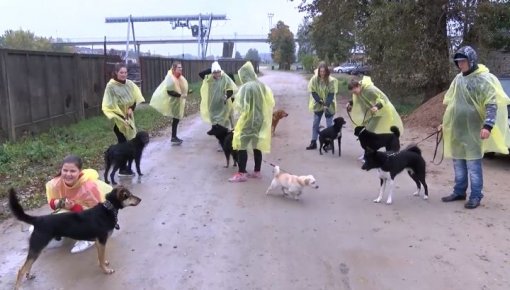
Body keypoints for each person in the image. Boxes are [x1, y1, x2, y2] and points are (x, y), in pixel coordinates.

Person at [440, 45, 510, 209]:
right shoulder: (458, 79)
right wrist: (444, 123)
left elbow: (491, 104)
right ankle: (459, 191)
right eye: (458, 62)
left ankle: (476, 195)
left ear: (471, 61)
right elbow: (451, 103)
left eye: (463, 61)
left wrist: (488, 126)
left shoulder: (484, 79)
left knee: (473, 166)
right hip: (458, 130)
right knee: (458, 163)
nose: (460, 65)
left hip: (474, 131)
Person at [44, 155, 113, 253]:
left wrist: (74, 207)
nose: (68, 174)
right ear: (61, 170)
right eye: (65, 170)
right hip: (75, 212)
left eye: (72, 171)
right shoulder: (55, 184)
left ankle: (90, 238)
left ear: (80, 171)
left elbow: (97, 214)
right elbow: (52, 204)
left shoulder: (89, 187)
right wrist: (58, 203)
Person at [229, 61, 275, 182]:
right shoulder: (261, 85)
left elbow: (241, 106)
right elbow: (269, 102)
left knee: (241, 144)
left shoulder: (247, 87)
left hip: (249, 119)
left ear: (244, 75)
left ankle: (241, 173)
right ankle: (257, 171)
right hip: (260, 119)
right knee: (256, 144)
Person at [102, 63, 145, 175]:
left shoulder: (130, 84)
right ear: (116, 72)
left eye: (125, 72)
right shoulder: (111, 86)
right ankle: (122, 168)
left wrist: (131, 108)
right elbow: (110, 104)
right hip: (119, 120)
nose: (124, 75)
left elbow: (135, 97)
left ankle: (125, 167)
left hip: (129, 118)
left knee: (129, 144)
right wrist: (121, 116)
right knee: (124, 145)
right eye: (121, 72)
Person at [150, 62, 188, 145]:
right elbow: (170, 91)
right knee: (176, 118)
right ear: (174, 69)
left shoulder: (178, 77)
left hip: (178, 101)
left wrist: (184, 93)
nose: (181, 69)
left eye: (181, 67)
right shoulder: (170, 78)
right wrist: (180, 95)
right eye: (179, 67)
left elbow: (180, 87)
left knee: (176, 119)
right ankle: (173, 137)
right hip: (173, 101)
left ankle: (174, 137)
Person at [305, 62, 338, 150]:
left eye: (324, 71)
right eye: (321, 71)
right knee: (315, 123)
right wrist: (320, 102)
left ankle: (330, 143)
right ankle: (313, 142)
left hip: (329, 104)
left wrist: (326, 104)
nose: (322, 73)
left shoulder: (331, 81)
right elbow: (313, 92)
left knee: (329, 125)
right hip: (318, 104)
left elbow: (331, 93)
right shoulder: (314, 80)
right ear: (318, 71)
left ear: (327, 71)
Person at [199, 61, 238, 130]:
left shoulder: (224, 78)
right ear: (212, 72)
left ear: (220, 71)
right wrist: (212, 68)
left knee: (223, 120)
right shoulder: (209, 79)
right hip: (212, 103)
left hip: (222, 103)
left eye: (218, 72)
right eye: (215, 72)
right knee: (214, 120)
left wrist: (226, 96)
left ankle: (226, 132)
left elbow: (230, 89)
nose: (217, 74)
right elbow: (201, 74)